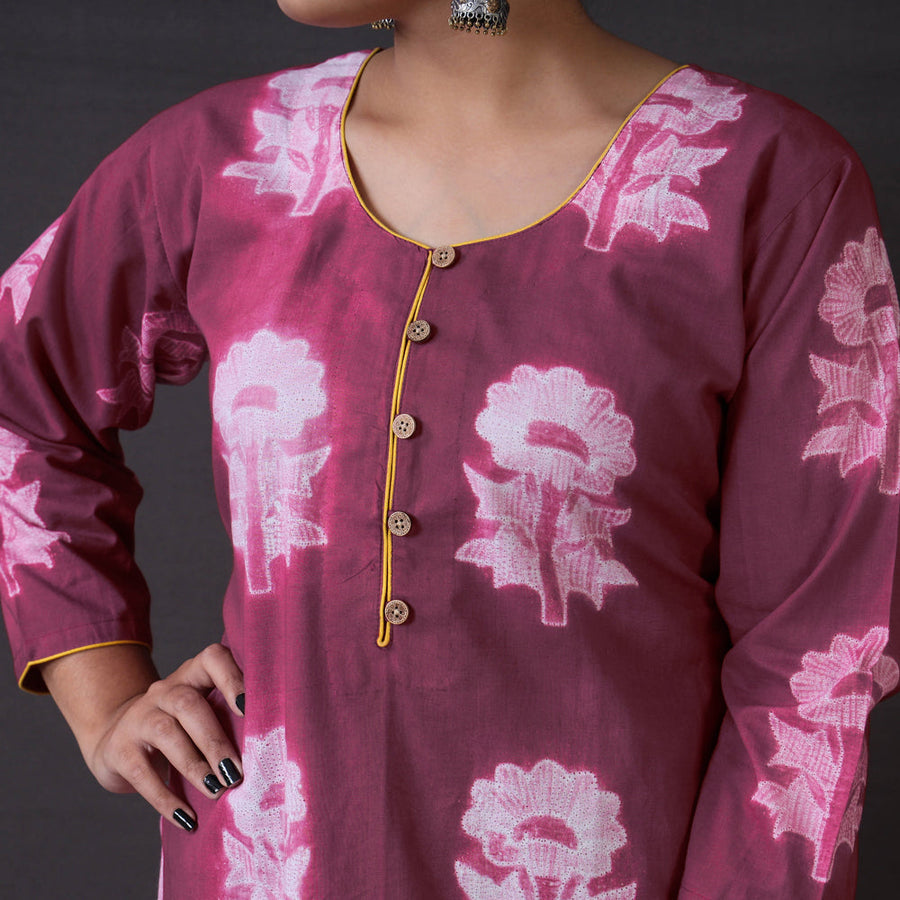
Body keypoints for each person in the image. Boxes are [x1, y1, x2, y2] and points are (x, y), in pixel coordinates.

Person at [0, 0, 897, 896]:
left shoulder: (766, 184)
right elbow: (22, 396)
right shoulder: (230, 158)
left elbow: (815, 664)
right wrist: (106, 702)